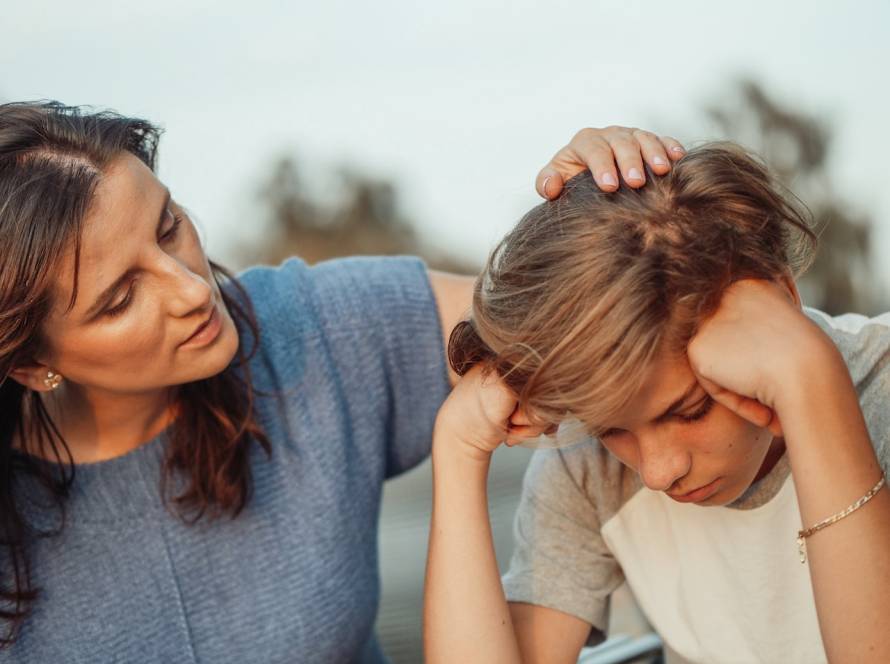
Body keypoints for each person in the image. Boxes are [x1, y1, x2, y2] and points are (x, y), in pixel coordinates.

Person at [0, 101, 684, 662]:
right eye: (121, 298)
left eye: (169, 226)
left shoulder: (316, 329)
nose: (190, 289)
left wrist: (618, 212)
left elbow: (592, 313)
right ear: (32, 364)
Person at [424, 143, 890, 663]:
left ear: (781, 300)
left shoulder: (882, 393)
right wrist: (458, 450)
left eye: (689, 410)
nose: (658, 472)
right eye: (611, 430)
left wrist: (810, 381)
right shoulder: (586, 467)